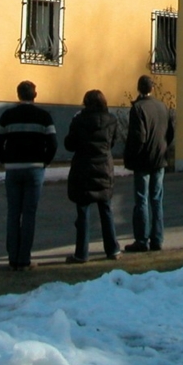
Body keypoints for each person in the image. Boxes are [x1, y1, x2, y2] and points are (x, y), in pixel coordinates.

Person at [0, 80, 56, 272]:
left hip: (13, 168)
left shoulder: (8, 115)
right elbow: (52, 144)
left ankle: (12, 257)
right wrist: (44, 161)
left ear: (18, 94)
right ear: (34, 95)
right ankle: (24, 258)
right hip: (35, 168)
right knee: (29, 213)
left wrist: (5, 160)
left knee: (13, 212)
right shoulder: (44, 116)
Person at [63, 89, 120, 263]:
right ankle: (113, 249)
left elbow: (69, 144)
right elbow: (113, 142)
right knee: (106, 209)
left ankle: (82, 253)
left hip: (83, 168)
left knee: (83, 212)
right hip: (104, 168)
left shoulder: (79, 120)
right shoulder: (111, 120)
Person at [124, 75, 175, 252]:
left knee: (141, 199)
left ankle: (141, 239)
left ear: (138, 88)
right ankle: (157, 239)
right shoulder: (162, 107)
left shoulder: (138, 108)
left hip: (143, 160)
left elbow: (139, 137)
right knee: (156, 199)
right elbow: (170, 133)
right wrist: (164, 148)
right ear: (152, 88)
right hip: (159, 158)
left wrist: (131, 156)